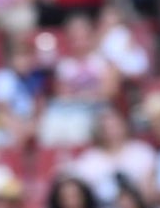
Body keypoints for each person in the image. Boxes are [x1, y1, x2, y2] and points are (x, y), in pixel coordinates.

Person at [38, 13, 119, 148]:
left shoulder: (103, 62)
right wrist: (86, 94)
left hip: (97, 110)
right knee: (49, 126)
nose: (79, 42)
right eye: (74, 38)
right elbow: (62, 94)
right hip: (70, 110)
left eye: (82, 37)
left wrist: (82, 95)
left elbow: (108, 91)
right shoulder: (64, 65)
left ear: (91, 36)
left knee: (78, 128)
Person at [69, 107, 156, 205]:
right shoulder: (88, 160)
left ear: (124, 125)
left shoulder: (142, 152)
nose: (112, 132)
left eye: (115, 126)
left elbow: (150, 191)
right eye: (106, 128)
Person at [0, 41, 45, 148]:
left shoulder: (35, 78)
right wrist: (18, 128)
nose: (24, 61)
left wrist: (32, 125)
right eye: (19, 57)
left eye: (27, 57)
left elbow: (39, 106)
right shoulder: (3, 78)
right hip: (6, 123)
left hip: (28, 122)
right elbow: (1, 110)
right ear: (11, 60)